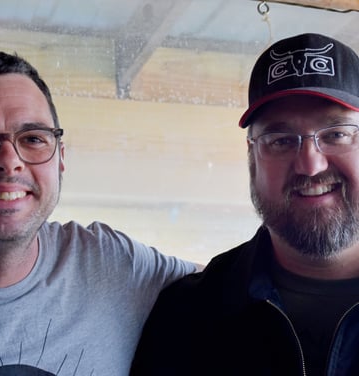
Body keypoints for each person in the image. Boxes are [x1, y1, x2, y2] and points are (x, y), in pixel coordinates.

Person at [130, 32, 359, 375]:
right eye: (281, 140)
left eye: (336, 134)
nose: (310, 165)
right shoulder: (188, 315)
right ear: (252, 157)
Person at [0, 50, 202, 376]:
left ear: (60, 158)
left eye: (33, 138)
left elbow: (235, 286)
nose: (8, 160)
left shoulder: (107, 261)